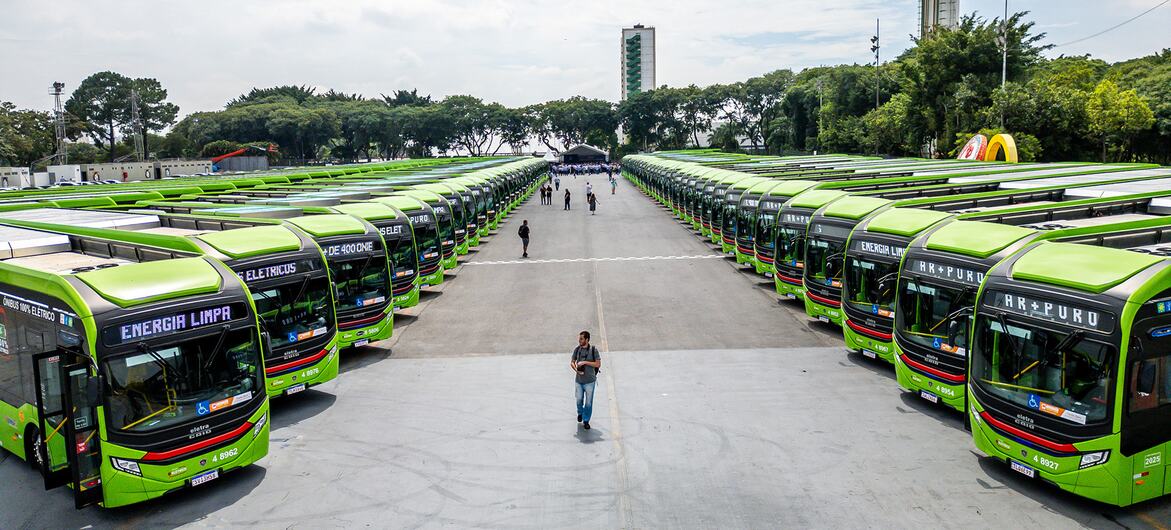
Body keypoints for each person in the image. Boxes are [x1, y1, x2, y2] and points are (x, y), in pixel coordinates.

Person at [571, 330, 601, 429]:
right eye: (579, 338)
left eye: (581, 338)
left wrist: (584, 362)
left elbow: (597, 364)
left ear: (587, 340)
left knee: (588, 403)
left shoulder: (593, 350)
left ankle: (586, 420)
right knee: (579, 400)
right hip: (579, 381)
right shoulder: (577, 349)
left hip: (590, 381)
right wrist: (576, 370)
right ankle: (580, 413)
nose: (579, 340)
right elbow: (572, 362)